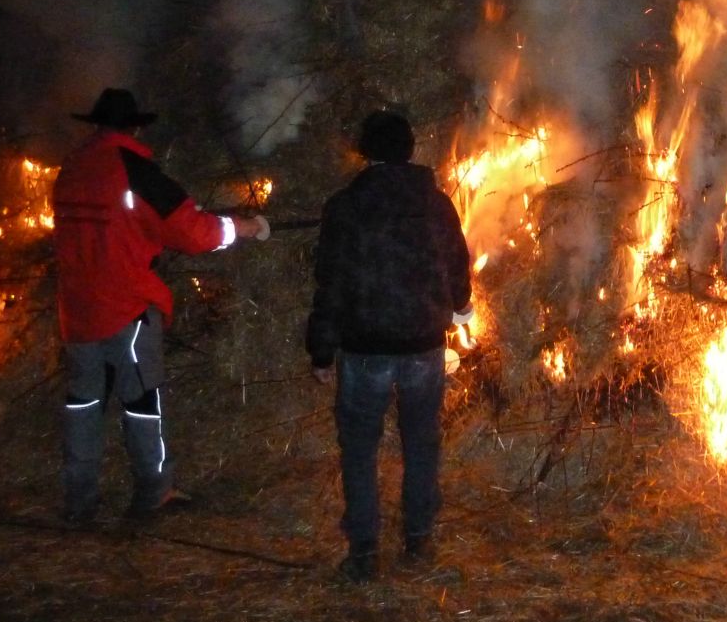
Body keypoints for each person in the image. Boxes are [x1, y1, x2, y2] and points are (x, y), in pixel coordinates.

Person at [52, 88, 268, 524]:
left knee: (83, 402)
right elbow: (192, 232)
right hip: (126, 305)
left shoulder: (71, 169)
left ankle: (79, 499)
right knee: (142, 402)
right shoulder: (136, 170)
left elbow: (113, 223)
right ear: (135, 127)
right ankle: (154, 491)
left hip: (76, 307)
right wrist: (243, 227)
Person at [307, 110, 473, 582]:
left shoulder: (345, 207)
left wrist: (322, 350)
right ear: (410, 150)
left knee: (359, 447)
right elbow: (457, 264)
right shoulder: (437, 204)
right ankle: (418, 537)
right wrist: (461, 309)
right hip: (424, 345)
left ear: (366, 152)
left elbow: (331, 284)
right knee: (421, 441)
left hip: (365, 349)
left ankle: (364, 551)